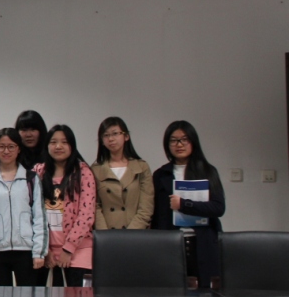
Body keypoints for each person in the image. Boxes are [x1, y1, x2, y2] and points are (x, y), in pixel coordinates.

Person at [152, 121, 225, 287]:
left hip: (203, 242)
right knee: (172, 291)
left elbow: (218, 208)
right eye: (173, 140)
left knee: (206, 293)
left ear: (193, 141)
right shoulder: (160, 174)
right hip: (171, 243)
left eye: (184, 139)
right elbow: (156, 214)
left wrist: (184, 204)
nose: (179, 144)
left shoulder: (208, 171)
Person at [0, 128, 47, 286]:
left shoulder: (31, 179)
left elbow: (39, 217)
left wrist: (39, 252)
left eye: (11, 146)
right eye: (1, 146)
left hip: (26, 250)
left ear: (19, 149)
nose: (6, 151)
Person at [35, 125, 95, 287]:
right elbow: (31, 213)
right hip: (46, 252)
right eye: (53, 142)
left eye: (64, 142)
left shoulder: (83, 172)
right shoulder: (38, 172)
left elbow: (86, 215)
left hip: (79, 251)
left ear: (72, 146)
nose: (58, 146)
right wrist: (44, 250)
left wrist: (68, 249)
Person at [91, 116, 154, 230]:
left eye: (115, 133)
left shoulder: (141, 167)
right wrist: (104, 235)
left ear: (126, 136)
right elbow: (95, 206)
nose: (111, 139)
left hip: (135, 233)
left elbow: (146, 208)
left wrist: (129, 235)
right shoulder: (96, 170)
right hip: (106, 234)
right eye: (106, 135)